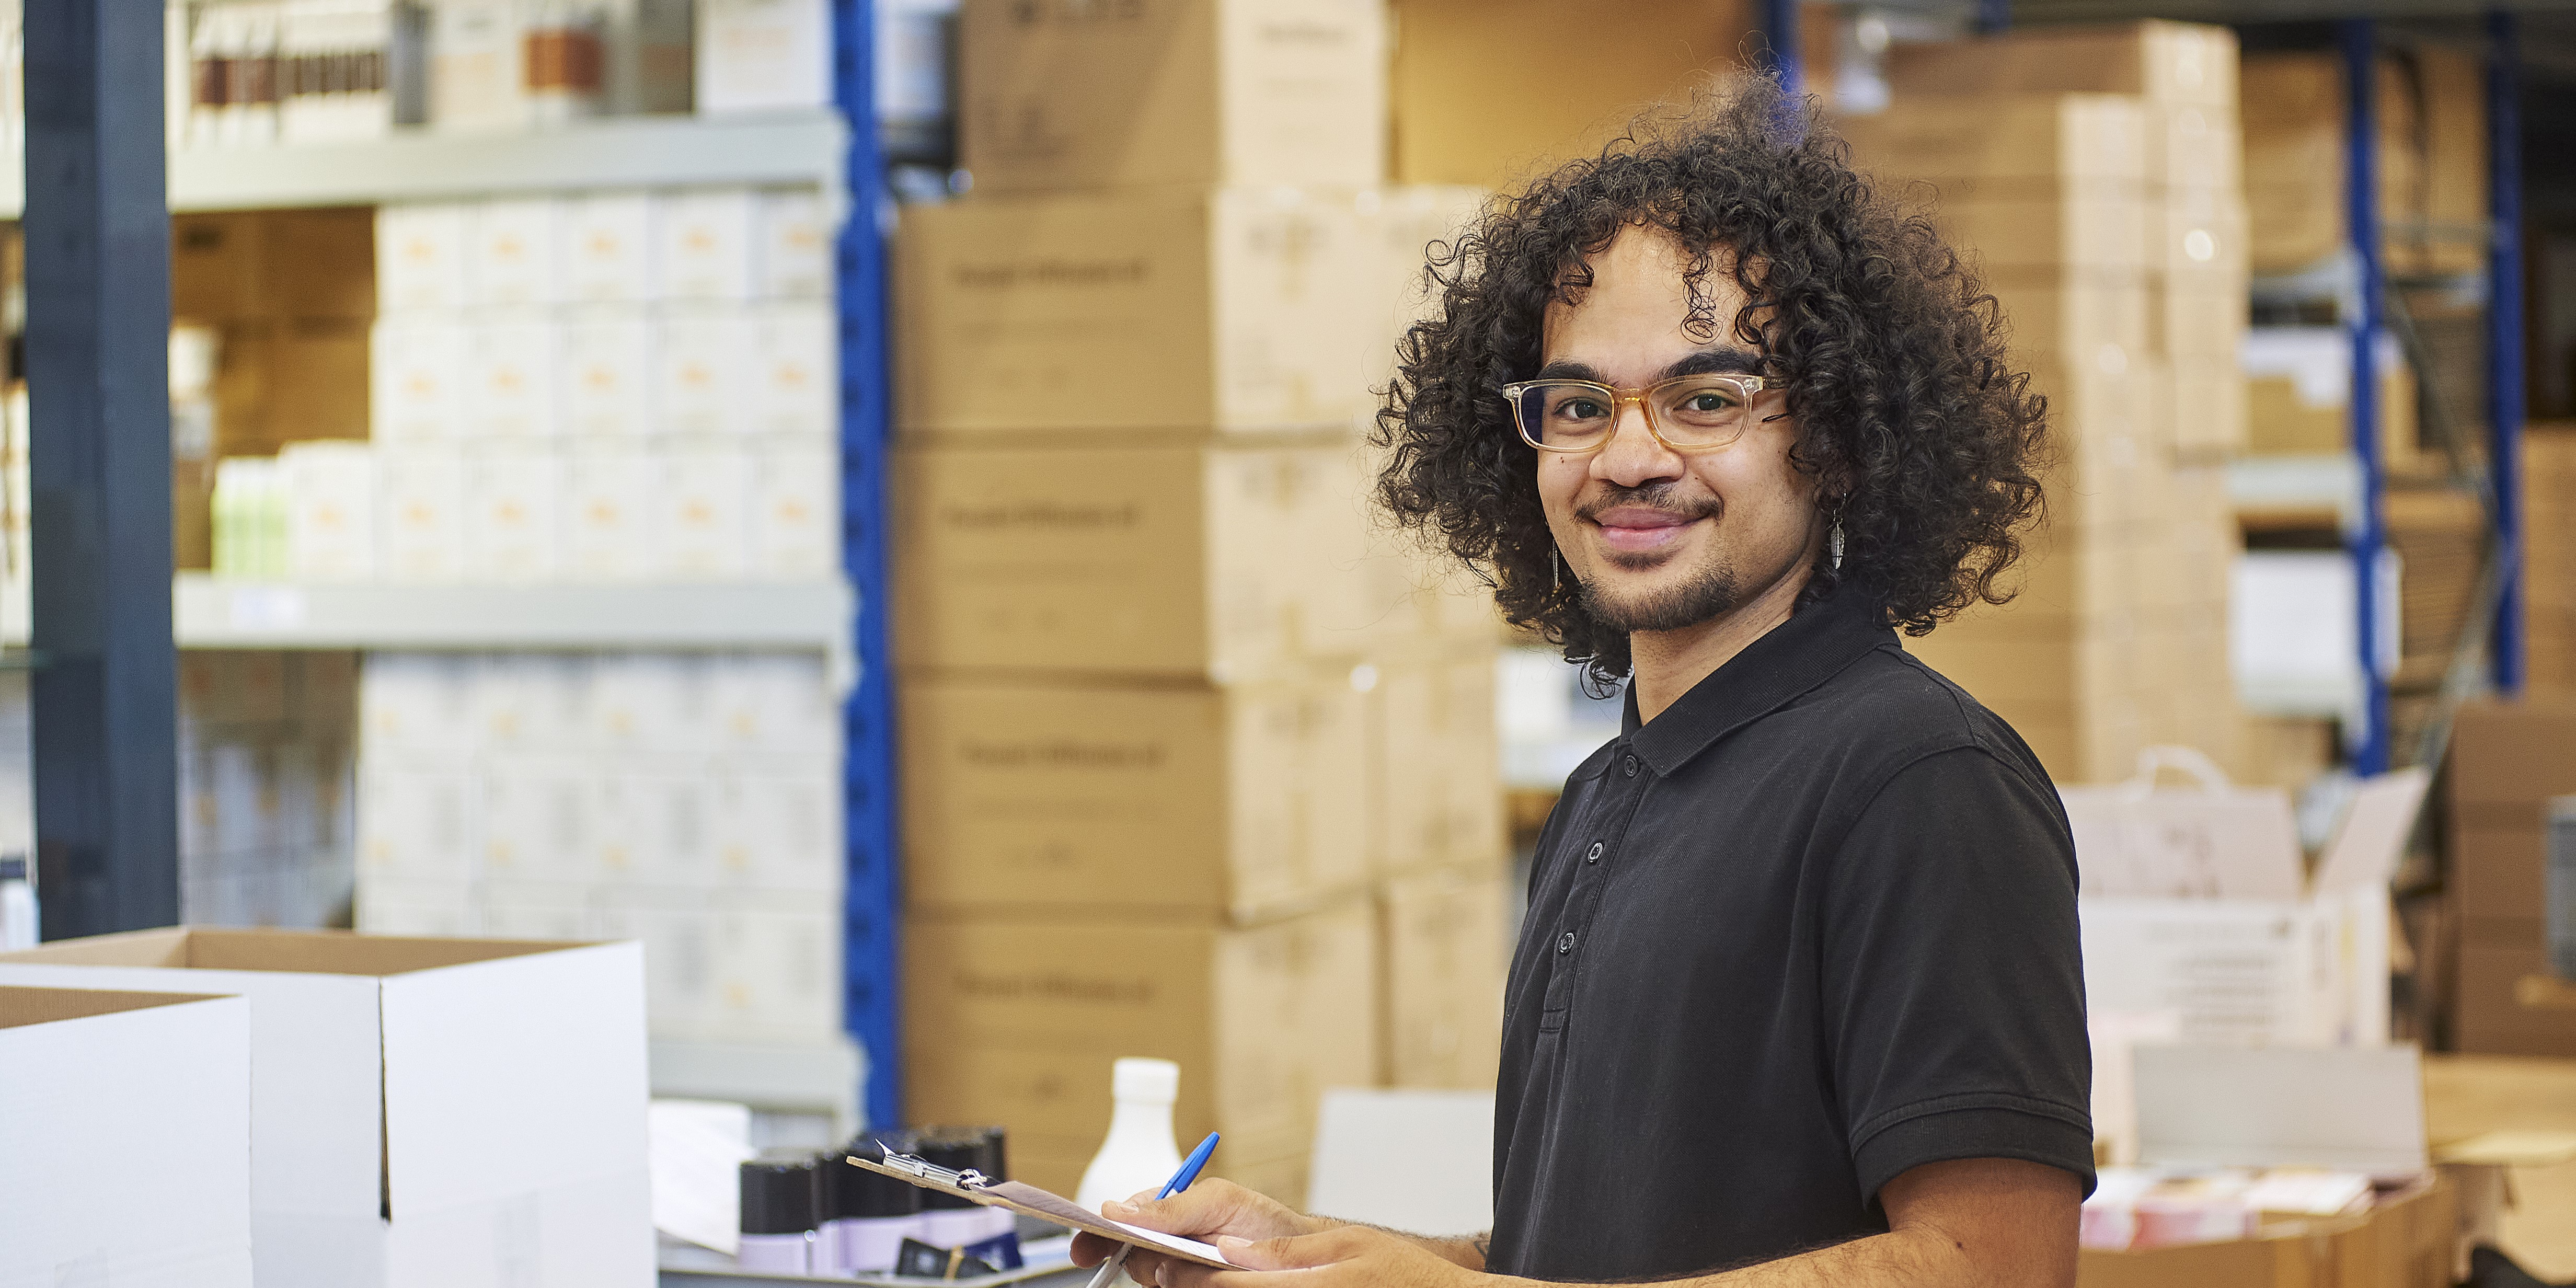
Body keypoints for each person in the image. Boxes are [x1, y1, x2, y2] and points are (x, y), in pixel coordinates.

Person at [1071, 76, 2092, 1288]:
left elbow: (1993, 1266)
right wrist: (1343, 1256)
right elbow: (1598, 1259)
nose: (1627, 455)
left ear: (1836, 435)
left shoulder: (1920, 782)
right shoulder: (1610, 794)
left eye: (1704, 399)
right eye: (1578, 403)